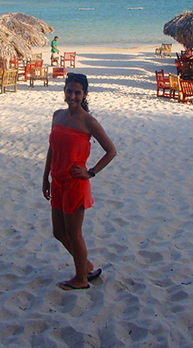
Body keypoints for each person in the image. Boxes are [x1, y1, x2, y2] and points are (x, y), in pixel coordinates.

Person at [42, 73, 116, 290]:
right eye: (69, 91)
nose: (72, 96)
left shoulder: (88, 122)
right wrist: (45, 177)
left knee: (74, 234)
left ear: (85, 94)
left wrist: (91, 172)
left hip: (75, 183)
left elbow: (111, 151)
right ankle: (86, 266)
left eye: (77, 92)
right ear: (64, 91)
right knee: (58, 232)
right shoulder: (57, 116)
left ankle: (81, 279)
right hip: (57, 181)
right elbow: (52, 149)